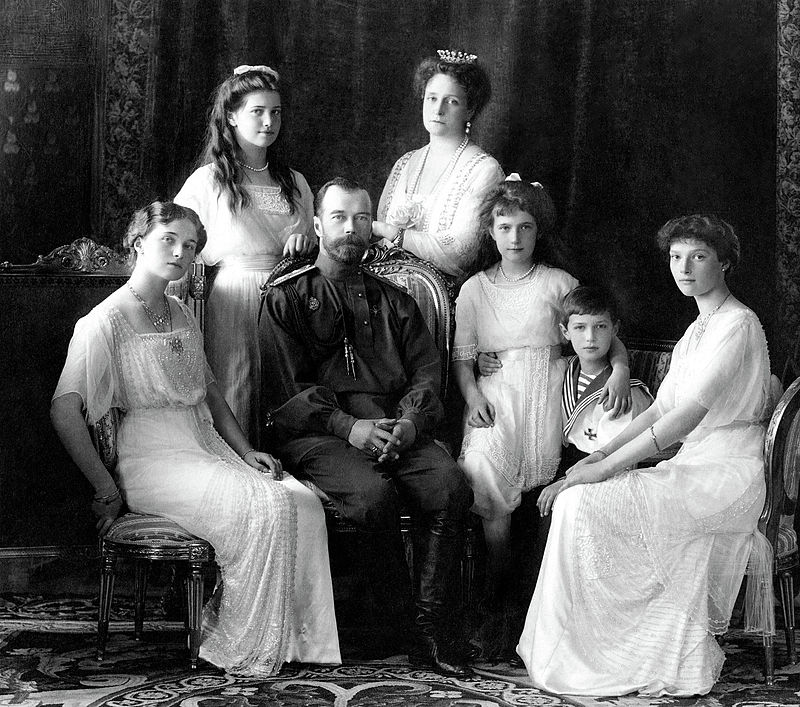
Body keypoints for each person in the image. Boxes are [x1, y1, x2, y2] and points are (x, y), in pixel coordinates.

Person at [50, 202, 339, 677]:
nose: (181, 252)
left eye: (190, 246)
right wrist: (104, 488)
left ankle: (301, 643)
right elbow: (64, 411)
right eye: (169, 240)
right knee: (264, 505)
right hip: (152, 460)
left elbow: (211, 394)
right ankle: (240, 642)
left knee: (300, 502)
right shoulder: (102, 321)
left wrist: (247, 452)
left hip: (205, 447)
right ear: (139, 242)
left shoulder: (181, 310)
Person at [518, 214, 774, 696]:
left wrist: (601, 470)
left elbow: (685, 419)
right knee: (579, 501)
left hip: (727, 473)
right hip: (695, 464)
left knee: (580, 501)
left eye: (698, 256)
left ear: (725, 263)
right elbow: (659, 407)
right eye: (676, 257)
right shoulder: (699, 327)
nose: (684, 267)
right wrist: (598, 459)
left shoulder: (737, 324)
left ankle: (623, 653)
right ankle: (595, 648)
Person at [259, 177, 472, 677]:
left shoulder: (397, 301)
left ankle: (430, 626)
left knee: (449, 485)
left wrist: (411, 425)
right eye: (338, 218)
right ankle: (392, 618)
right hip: (318, 433)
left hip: (395, 426)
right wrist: (348, 426)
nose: (350, 229)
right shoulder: (286, 299)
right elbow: (286, 392)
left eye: (360, 218)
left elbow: (426, 374)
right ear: (317, 225)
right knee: (372, 496)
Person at [453, 177, 633, 661]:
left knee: (547, 488)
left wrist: (620, 370)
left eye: (525, 227)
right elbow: (462, 358)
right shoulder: (473, 290)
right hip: (497, 394)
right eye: (505, 227)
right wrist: (472, 395)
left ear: (538, 231)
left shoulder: (559, 282)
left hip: (553, 393)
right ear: (491, 232)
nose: (515, 238)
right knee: (483, 469)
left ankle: (532, 608)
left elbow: (598, 330)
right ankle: (497, 595)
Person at [174, 64, 316, 441]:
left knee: (285, 386)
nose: (268, 122)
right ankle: (240, 464)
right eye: (258, 112)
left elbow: (316, 246)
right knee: (237, 383)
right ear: (233, 117)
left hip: (288, 298)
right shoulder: (210, 181)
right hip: (233, 299)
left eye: (276, 112)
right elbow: (176, 238)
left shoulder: (296, 184)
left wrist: (303, 250)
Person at [373, 49, 504, 286]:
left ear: (470, 110)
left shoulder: (484, 170)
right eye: (432, 98)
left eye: (451, 101)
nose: (438, 109)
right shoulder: (405, 163)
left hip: (445, 302)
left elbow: (462, 252)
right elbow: (379, 238)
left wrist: (396, 235)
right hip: (388, 295)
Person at [559, 286, 653, 473]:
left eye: (600, 326)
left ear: (614, 329)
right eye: (580, 327)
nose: (590, 338)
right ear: (565, 332)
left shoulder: (623, 392)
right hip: (563, 464)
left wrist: (565, 481)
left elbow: (616, 459)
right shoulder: (562, 369)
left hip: (601, 470)